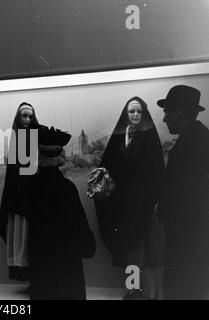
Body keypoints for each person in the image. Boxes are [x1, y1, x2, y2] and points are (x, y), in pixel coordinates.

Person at [94, 97, 164, 299]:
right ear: (126, 114)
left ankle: (151, 293)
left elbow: (157, 170)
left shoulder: (150, 137)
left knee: (146, 252)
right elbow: (107, 165)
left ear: (144, 114)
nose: (135, 115)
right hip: (123, 205)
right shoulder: (119, 136)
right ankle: (133, 290)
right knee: (129, 251)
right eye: (131, 112)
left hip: (142, 204)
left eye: (139, 112)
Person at [28, 125, 96, 300]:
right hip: (67, 264)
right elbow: (80, 226)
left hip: (42, 263)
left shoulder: (31, 187)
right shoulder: (67, 188)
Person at [157, 85, 209, 299]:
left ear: (178, 113)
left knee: (181, 288)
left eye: (166, 113)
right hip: (195, 234)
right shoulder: (199, 137)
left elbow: (184, 192)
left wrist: (164, 210)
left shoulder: (192, 142)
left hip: (186, 235)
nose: (164, 120)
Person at [0, 102, 40, 281]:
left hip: (34, 195)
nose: (27, 119)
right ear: (18, 117)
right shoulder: (15, 139)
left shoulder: (36, 137)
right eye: (24, 116)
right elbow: (13, 173)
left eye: (30, 116)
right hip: (19, 196)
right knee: (21, 235)